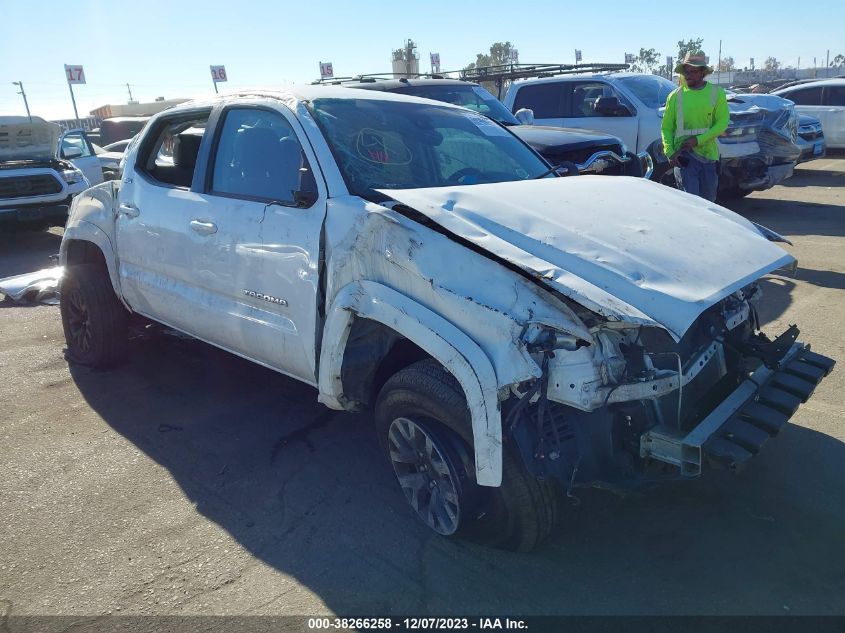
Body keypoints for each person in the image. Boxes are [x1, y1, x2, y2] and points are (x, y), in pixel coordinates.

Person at [661, 51, 729, 201]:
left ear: (702, 72)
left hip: (709, 158)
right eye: (686, 71)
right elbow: (666, 128)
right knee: (692, 206)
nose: (689, 74)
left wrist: (698, 140)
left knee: (709, 205)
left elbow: (722, 123)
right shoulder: (675, 96)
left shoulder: (716, 93)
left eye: (694, 71)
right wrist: (670, 152)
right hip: (684, 159)